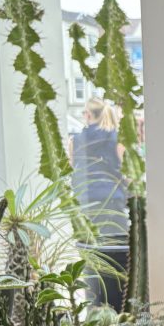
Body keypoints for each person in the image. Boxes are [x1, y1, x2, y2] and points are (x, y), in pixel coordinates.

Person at [70, 97, 128, 236]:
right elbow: (127, 171)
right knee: (116, 246)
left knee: (92, 248)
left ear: (88, 114)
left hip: (86, 200)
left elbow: (72, 170)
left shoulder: (75, 141)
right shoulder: (118, 139)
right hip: (113, 200)